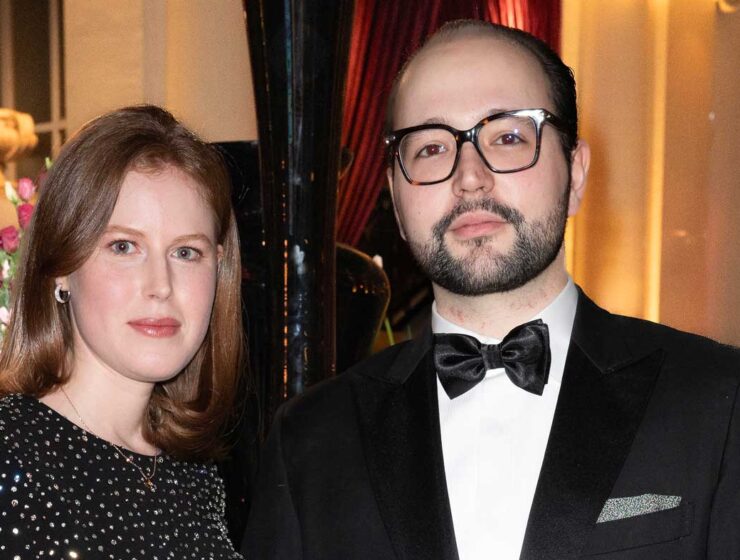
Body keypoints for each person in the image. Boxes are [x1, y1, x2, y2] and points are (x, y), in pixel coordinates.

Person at [243, 19, 740, 560]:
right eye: (431, 148)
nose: (470, 177)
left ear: (575, 173)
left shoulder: (718, 400)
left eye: (506, 138)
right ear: (396, 198)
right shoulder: (309, 440)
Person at [0, 105, 245, 559]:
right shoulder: (10, 454)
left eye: (186, 252)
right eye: (124, 246)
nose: (160, 286)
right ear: (61, 269)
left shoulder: (195, 475)